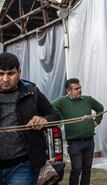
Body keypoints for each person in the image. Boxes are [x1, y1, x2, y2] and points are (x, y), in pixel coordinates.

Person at [0, 52, 61, 185]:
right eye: (0, 74)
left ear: (19, 72)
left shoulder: (32, 93)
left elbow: (56, 116)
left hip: (23, 166)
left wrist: (44, 120)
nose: (5, 79)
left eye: (10, 73)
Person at [52, 78, 103, 185]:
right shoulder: (62, 102)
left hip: (89, 141)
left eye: (80, 88)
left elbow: (100, 108)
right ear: (68, 91)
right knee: (76, 169)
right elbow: (48, 107)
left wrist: (95, 122)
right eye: (76, 89)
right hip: (74, 143)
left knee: (87, 169)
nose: (79, 90)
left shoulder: (87, 100)